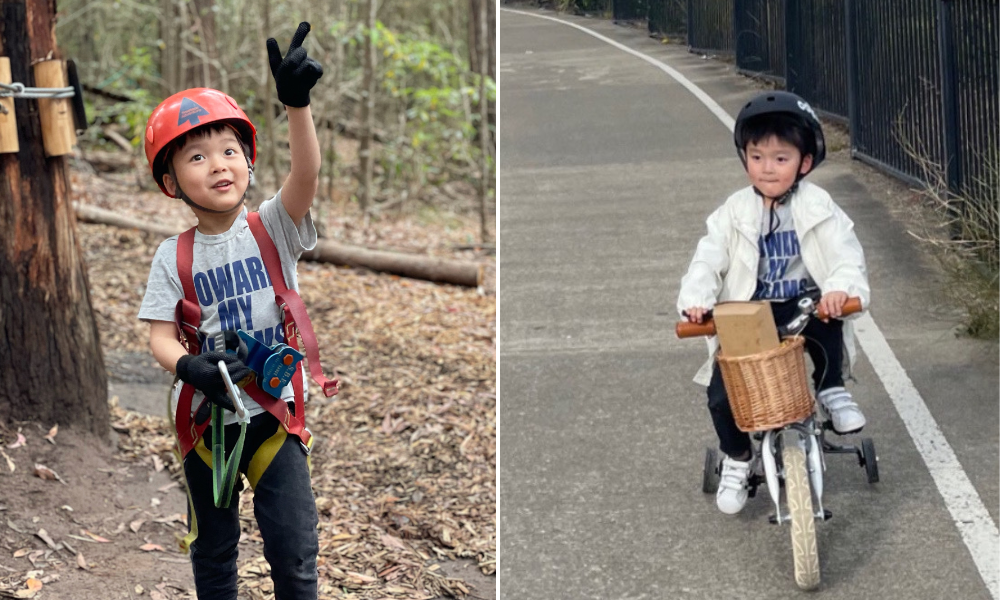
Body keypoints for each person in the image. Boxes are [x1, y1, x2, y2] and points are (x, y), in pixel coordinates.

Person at [138, 22, 334, 598]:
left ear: (248, 160)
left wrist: (296, 105)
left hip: (274, 414)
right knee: (215, 552)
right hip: (206, 424)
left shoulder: (273, 226)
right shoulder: (172, 255)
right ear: (172, 182)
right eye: (197, 157)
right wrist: (188, 367)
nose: (219, 164)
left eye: (230, 150)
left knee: (294, 550)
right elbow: (159, 336)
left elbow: (307, 174)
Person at [677, 91, 871, 515]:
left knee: (825, 318)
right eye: (757, 156)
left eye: (781, 159)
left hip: (803, 304)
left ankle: (832, 389)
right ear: (744, 158)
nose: (767, 168)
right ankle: (737, 458)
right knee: (721, 392)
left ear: (804, 162)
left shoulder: (819, 205)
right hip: (750, 312)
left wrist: (841, 287)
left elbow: (845, 254)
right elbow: (708, 258)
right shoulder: (733, 211)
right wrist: (697, 300)